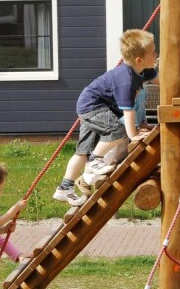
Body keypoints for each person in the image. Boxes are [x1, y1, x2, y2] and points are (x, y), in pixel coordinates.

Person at [53, 29, 158, 207]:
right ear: (139, 60)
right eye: (153, 52)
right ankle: (95, 160)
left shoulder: (143, 71)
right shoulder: (126, 80)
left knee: (82, 151)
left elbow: (162, 82)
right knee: (117, 130)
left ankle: (64, 188)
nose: (157, 55)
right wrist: (134, 135)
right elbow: (128, 112)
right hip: (92, 107)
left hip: (92, 105)